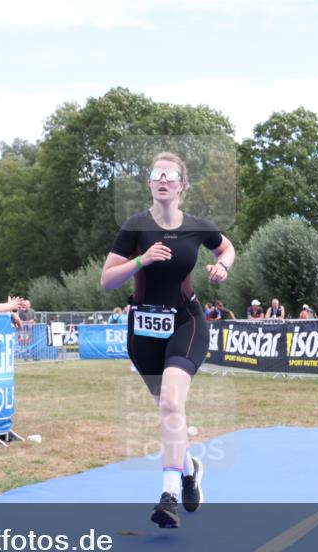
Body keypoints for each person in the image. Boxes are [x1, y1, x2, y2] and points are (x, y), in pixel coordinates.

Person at [100, 152, 235, 529]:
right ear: (150, 183)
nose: (162, 179)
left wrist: (221, 266)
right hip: (143, 331)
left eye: (170, 174)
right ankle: (190, 470)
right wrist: (140, 261)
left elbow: (226, 247)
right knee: (169, 413)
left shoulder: (198, 226)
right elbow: (107, 280)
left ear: (181, 185)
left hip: (186, 322)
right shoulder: (134, 227)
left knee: (173, 403)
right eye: (156, 173)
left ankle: (168, 495)